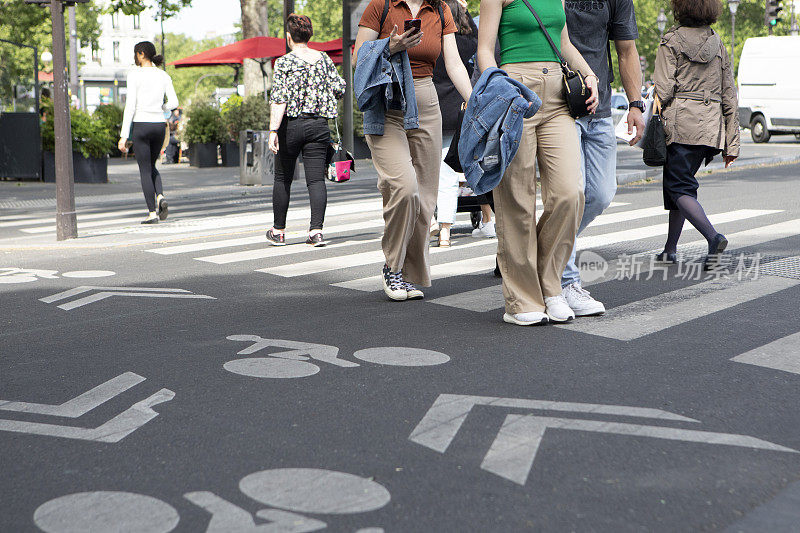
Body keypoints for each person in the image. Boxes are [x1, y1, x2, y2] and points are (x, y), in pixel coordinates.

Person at [477, 0, 599, 326]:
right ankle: (521, 300)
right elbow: (485, 51)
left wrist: (589, 74)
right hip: (516, 91)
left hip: (558, 94)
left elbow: (563, 43)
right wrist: (498, 86)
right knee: (518, 199)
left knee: (570, 193)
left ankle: (551, 286)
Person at [354, 0, 473, 301]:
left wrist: (473, 99)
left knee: (425, 197)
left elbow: (454, 62)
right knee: (404, 188)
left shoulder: (441, 9)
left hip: (426, 101)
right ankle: (392, 265)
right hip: (388, 101)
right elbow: (359, 57)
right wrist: (390, 47)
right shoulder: (381, 6)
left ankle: (408, 273)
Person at [559, 0, 645, 316]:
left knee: (600, 193)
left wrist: (635, 104)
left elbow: (626, 50)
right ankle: (565, 282)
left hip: (600, 109)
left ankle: (544, 246)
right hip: (558, 106)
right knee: (570, 195)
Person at [654, 0, 739, 269]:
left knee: (678, 187)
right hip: (710, 128)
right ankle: (670, 249)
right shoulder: (717, 43)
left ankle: (713, 238)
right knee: (682, 185)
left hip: (681, 125)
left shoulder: (672, 39)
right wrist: (731, 143)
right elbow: (729, 95)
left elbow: (664, 90)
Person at [266, 14, 346, 247]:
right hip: (318, 126)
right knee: (315, 180)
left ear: (289, 37)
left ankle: (279, 231)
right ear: (309, 35)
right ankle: (316, 232)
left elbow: (279, 99)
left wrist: (273, 130)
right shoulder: (323, 59)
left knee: (283, 178)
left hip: (291, 125)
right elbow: (339, 87)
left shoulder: (283, 62)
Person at [430, 0, 494, 247]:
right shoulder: (471, 39)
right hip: (460, 108)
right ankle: (446, 231)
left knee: (423, 170)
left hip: (432, 106)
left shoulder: (436, 38)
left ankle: (430, 222)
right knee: (449, 173)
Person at [118, 41, 178, 224]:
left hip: (141, 125)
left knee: (144, 170)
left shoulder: (134, 75)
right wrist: (162, 108)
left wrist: (124, 135)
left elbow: (130, 107)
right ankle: (160, 196)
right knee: (152, 166)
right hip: (159, 125)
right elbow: (174, 102)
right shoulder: (163, 75)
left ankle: (152, 213)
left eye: (136, 54)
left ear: (141, 54)